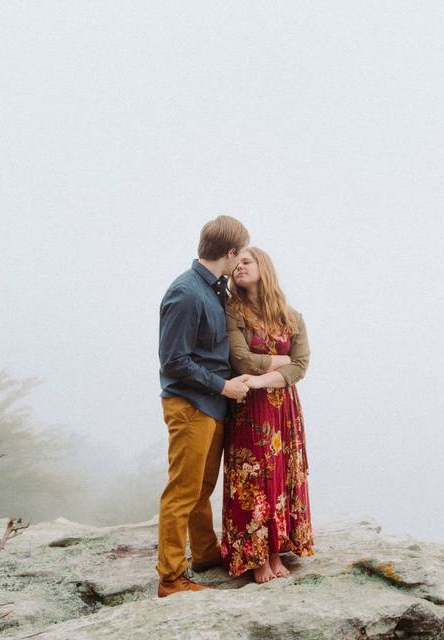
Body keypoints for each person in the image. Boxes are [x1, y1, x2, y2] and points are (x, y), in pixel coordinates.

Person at [156, 215, 252, 597]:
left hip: (212, 405)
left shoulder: (214, 290)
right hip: (191, 404)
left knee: (201, 489)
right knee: (182, 491)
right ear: (229, 253)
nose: (240, 260)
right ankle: (171, 578)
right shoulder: (186, 293)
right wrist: (223, 386)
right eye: (239, 253)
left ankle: (206, 554)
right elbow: (174, 360)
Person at [221, 247, 314, 583]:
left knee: (280, 476)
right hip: (250, 408)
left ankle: (275, 551)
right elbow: (241, 361)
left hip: (284, 408)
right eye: (236, 265)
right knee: (254, 479)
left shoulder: (292, 316)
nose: (239, 268)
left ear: (264, 266)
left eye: (247, 262)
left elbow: (301, 366)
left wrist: (262, 377)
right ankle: (256, 557)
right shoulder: (233, 312)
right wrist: (278, 362)